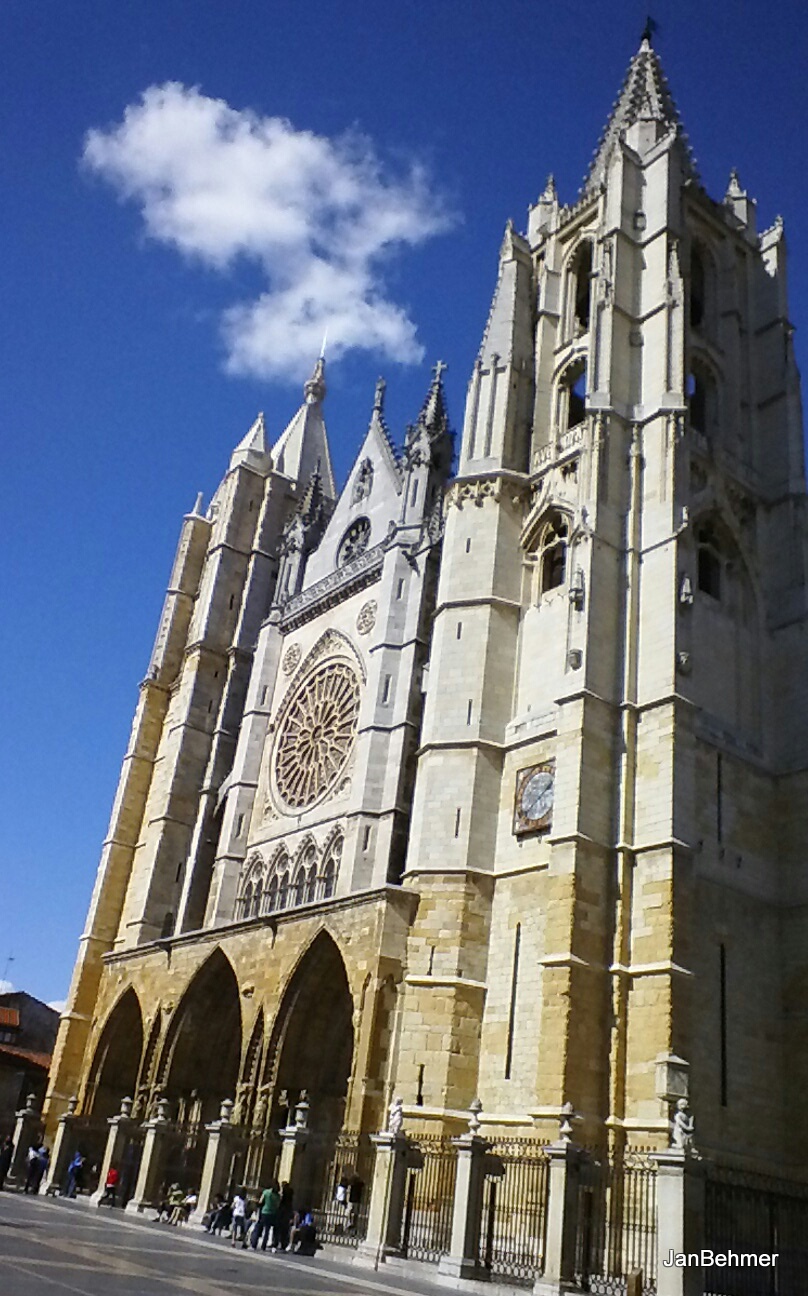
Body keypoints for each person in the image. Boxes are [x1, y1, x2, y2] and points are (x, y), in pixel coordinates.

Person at [251, 1179, 280, 1251]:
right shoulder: (277, 1196)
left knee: (258, 1227)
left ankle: (254, 1243)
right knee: (267, 1230)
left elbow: (261, 1201)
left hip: (264, 1212)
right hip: (272, 1213)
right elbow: (277, 1206)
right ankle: (263, 1246)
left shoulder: (266, 1192)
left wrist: (255, 1201)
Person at [275, 1181, 294, 1251]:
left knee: (278, 1229)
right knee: (285, 1230)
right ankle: (283, 1244)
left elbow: (280, 1203)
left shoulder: (283, 1195)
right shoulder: (290, 1196)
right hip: (287, 1212)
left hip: (282, 1212)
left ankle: (276, 1242)